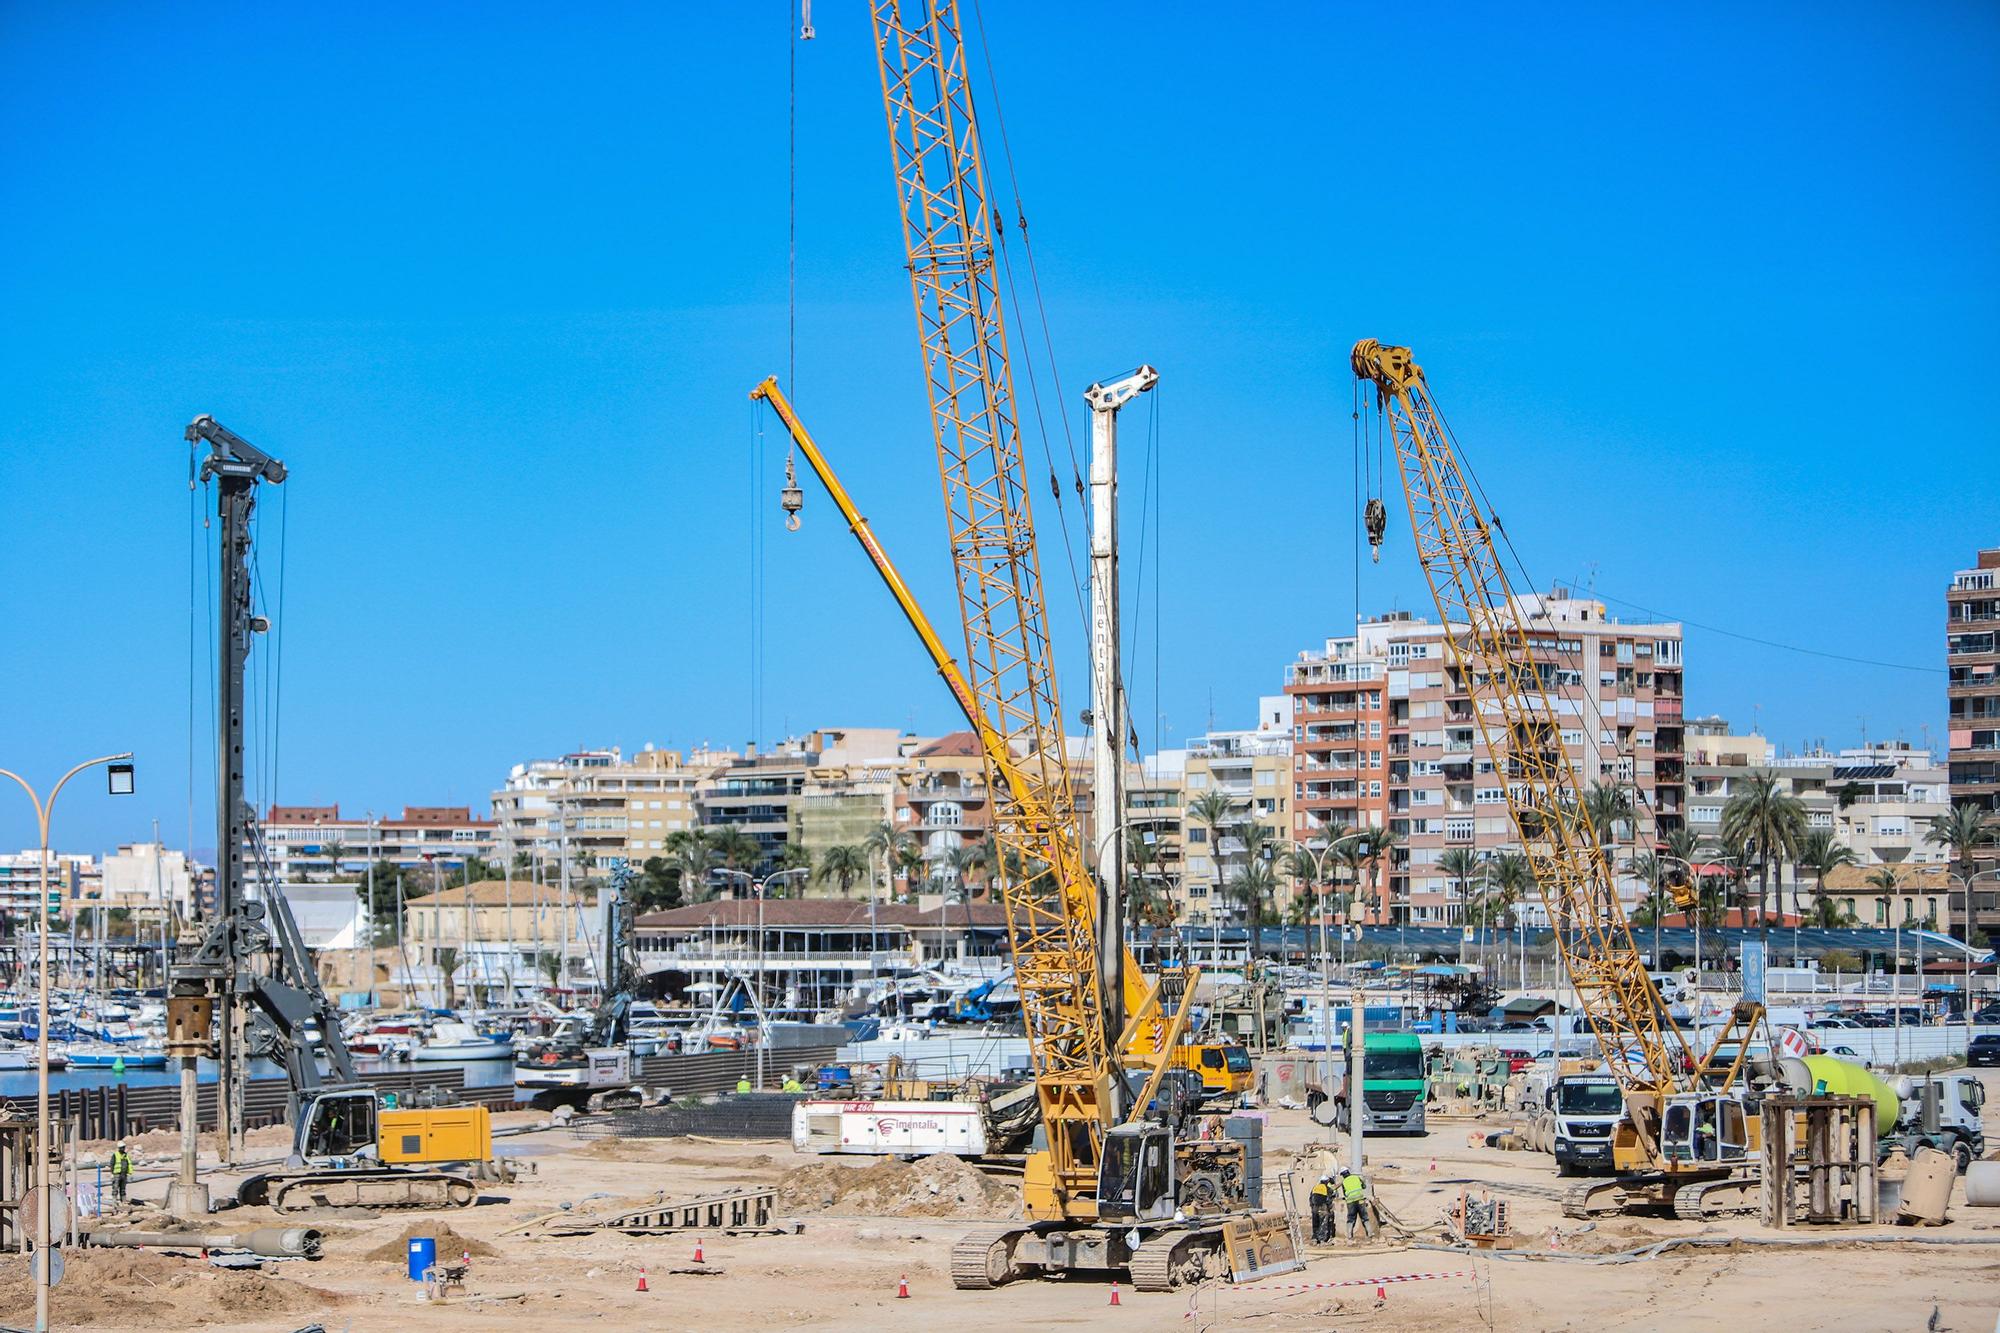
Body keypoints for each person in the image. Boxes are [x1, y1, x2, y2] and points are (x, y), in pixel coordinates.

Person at [1340, 1167, 1375, 1242]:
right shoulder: (1357, 1177)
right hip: (1360, 1200)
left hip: (1350, 1202)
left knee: (1351, 1219)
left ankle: (1349, 1236)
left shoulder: (1344, 1182)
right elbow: (1364, 1186)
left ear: (1342, 1175)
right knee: (1365, 1217)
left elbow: (1345, 1193)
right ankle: (1370, 1234)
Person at [1308, 1174, 1335, 1244]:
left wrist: (1312, 1207)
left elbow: (1310, 1198)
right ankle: (1322, 1240)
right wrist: (1329, 1208)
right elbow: (1328, 1199)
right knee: (1323, 1224)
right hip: (1322, 1208)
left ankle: (1314, 1238)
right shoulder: (1327, 1188)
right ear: (1326, 1181)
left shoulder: (1315, 1187)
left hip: (1314, 1208)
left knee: (1315, 1224)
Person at [110, 1142, 132, 1207]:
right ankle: (114, 1201)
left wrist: (129, 1172)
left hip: (124, 1174)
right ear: (119, 1148)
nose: (123, 1149)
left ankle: (123, 1201)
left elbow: (129, 1164)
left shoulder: (126, 1155)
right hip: (117, 1174)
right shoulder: (115, 1155)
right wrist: (112, 1173)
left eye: (124, 1147)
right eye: (122, 1147)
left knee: (123, 1189)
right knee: (115, 1188)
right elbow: (112, 1164)